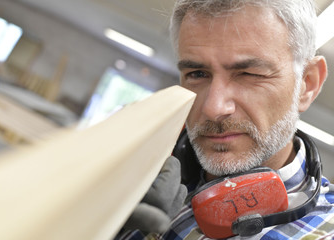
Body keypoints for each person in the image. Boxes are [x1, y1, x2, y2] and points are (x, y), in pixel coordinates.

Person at [116, 0, 334, 239]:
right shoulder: (141, 181)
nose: (212, 107)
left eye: (249, 74)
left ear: (307, 84)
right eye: (197, 74)